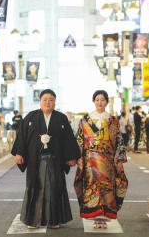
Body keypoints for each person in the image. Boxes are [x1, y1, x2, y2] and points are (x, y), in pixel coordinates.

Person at [11, 89, 80, 229]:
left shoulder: (61, 118)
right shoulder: (31, 117)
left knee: (54, 188)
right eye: (45, 99)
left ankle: (54, 220)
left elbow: (68, 138)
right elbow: (22, 136)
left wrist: (71, 157)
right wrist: (19, 153)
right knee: (35, 187)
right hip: (35, 160)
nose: (48, 102)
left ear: (55, 102)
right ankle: (32, 220)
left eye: (51, 100)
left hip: (55, 160)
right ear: (40, 101)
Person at [74, 90, 128, 229]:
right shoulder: (85, 119)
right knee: (92, 187)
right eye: (97, 100)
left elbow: (119, 141)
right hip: (90, 161)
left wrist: (120, 160)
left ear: (107, 102)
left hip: (108, 161)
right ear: (94, 101)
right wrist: (78, 157)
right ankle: (95, 217)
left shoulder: (113, 120)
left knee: (106, 188)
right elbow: (80, 139)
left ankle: (103, 217)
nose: (100, 102)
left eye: (103, 100)